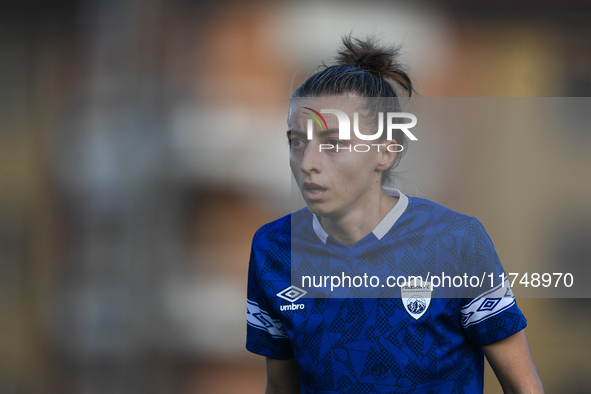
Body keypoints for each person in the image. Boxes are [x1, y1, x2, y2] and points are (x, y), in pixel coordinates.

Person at [246, 35, 544, 394]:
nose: (308, 163)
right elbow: (280, 388)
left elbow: (524, 387)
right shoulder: (274, 248)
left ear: (385, 153)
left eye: (333, 143)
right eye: (297, 142)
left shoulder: (456, 241)